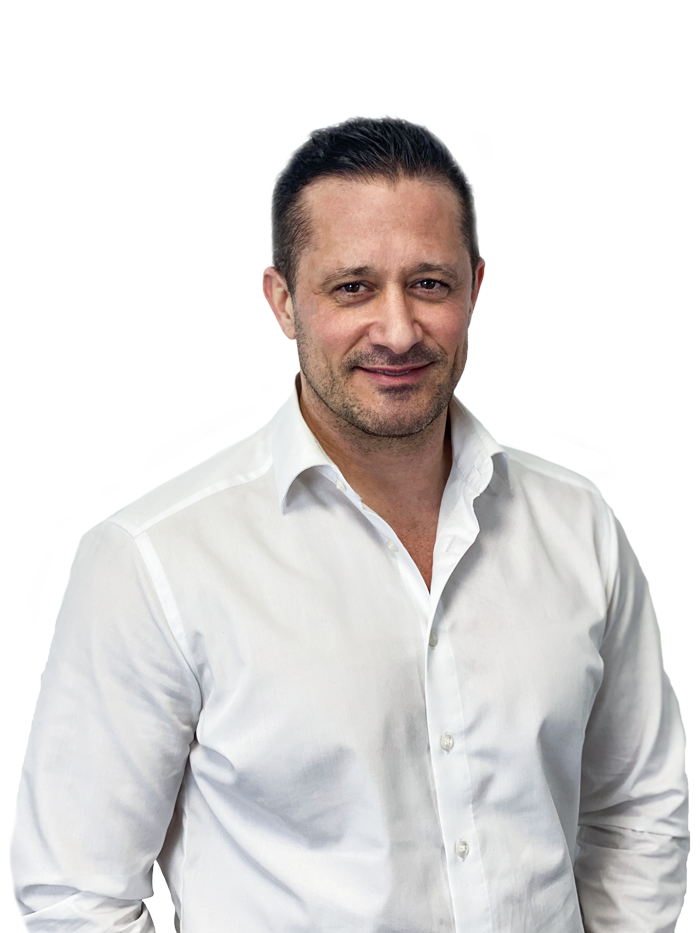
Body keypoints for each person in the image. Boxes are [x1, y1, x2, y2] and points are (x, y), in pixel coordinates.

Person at [10, 115, 688, 933]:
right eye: (353, 287)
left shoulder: (579, 528)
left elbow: (636, 815)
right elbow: (72, 901)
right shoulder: (157, 563)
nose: (397, 331)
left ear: (475, 287)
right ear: (283, 300)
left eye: (429, 284)